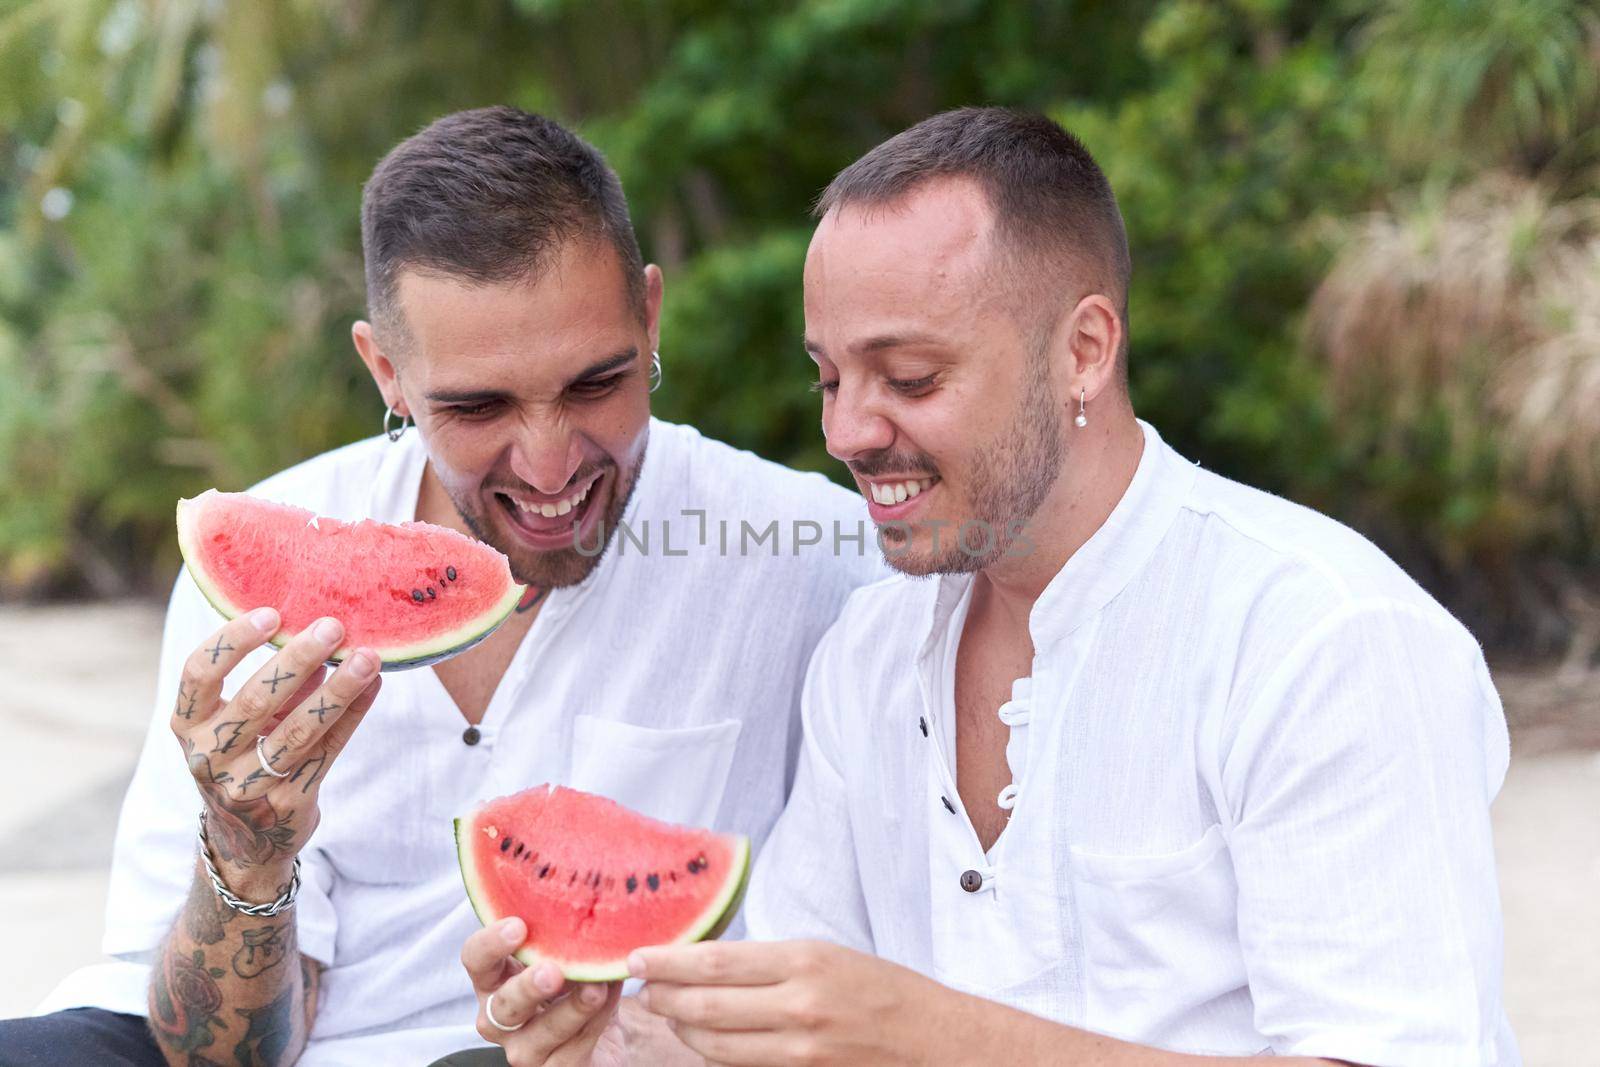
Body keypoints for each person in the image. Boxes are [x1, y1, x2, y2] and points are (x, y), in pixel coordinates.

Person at [629, 107, 1520, 1065]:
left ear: (1083, 350)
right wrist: (602, 1032)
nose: (846, 432)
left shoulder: (1324, 637)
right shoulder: (866, 653)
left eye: (912, 377)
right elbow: (789, 1031)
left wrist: (924, 1035)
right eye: (829, 379)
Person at [0, 106, 882, 1067]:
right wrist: (247, 852)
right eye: (477, 406)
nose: (550, 466)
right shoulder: (260, 581)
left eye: (596, 385)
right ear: (387, 371)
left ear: (650, 315)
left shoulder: (815, 554)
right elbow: (214, 1055)